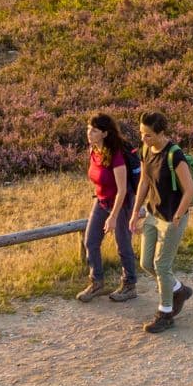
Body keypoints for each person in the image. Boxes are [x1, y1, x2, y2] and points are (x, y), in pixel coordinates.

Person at [133, 111, 193, 333]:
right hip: (153, 215)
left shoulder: (175, 156)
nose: (144, 139)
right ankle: (178, 289)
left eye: (148, 135)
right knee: (146, 263)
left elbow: (189, 189)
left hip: (172, 218)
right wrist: (135, 212)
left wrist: (178, 215)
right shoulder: (146, 151)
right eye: (142, 134)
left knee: (161, 266)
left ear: (161, 133)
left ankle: (165, 313)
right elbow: (144, 181)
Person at [79, 115, 140, 302]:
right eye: (89, 128)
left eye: (95, 130)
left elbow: (122, 190)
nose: (90, 133)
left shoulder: (117, 155)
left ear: (105, 133)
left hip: (120, 203)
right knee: (90, 241)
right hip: (102, 200)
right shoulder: (93, 150)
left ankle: (129, 285)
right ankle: (96, 282)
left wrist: (113, 216)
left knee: (123, 245)